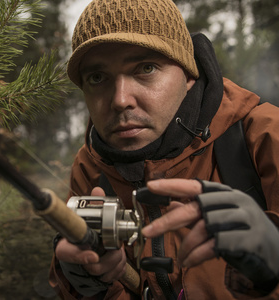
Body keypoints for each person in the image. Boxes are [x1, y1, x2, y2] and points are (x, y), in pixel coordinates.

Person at [49, 0, 279, 299]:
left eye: (146, 68)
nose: (120, 100)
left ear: (188, 75)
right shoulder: (90, 169)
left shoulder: (264, 134)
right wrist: (85, 281)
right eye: (97, 77)